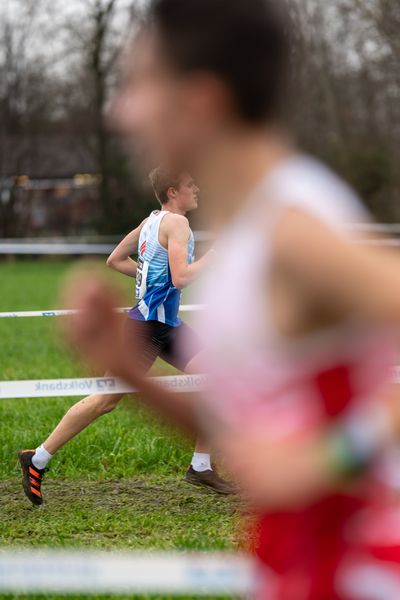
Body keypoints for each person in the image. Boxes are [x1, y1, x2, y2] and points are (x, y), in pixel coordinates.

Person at [60, 0, 400, 598]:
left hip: (354, 572)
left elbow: (310, 460)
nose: (121, 111)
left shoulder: (293, 230)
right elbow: (254, 438)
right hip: (292, 563)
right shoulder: (248, 229)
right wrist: (125, 370)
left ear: (201, 100)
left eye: (139, 85)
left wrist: (333, 457)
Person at [19, 167, 234, 507]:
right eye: (191, 184)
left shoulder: (150, 222)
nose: (198, 188)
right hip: (147, 329)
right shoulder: (178, 223)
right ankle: (38, 458)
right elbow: (181, 278)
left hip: (167, 325)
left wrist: (149, 280)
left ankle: (200, 465)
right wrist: (215, 256)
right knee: (106, 399)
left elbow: (115, 260)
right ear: (173, 192)